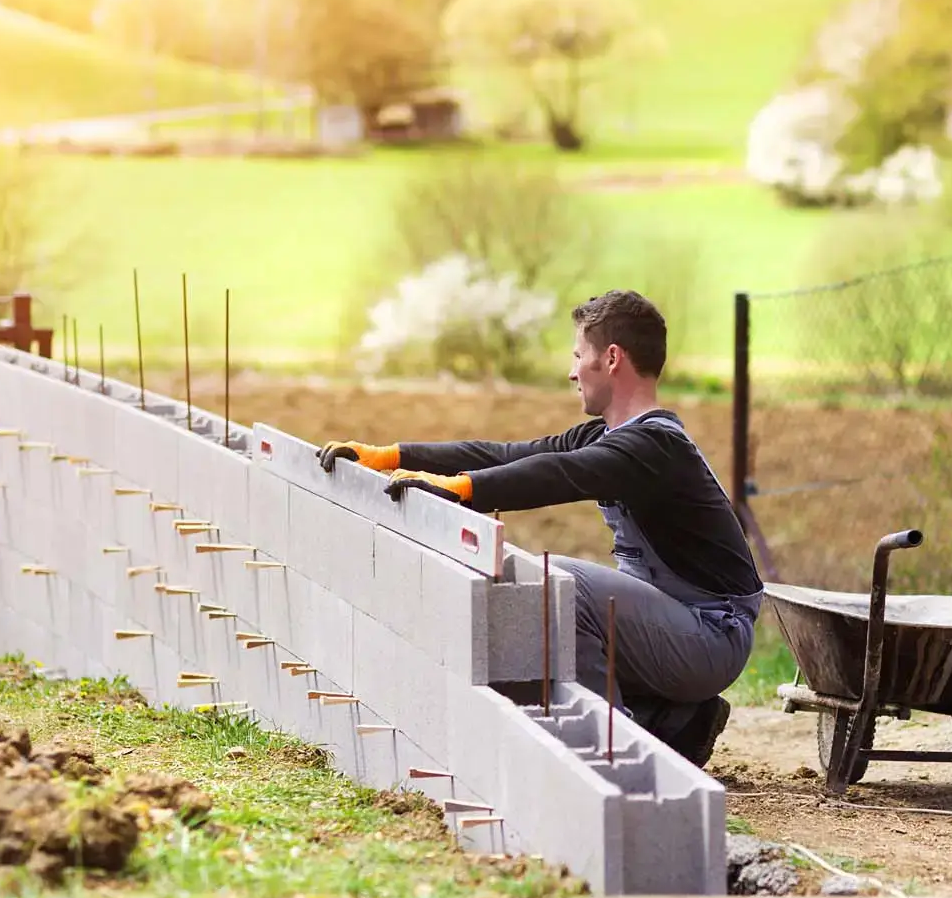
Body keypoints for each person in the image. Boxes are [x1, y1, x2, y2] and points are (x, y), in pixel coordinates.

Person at [317, 289, 764, 768]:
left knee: (557, 585)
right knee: (555, 593)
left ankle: (613, 752)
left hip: (711, 631)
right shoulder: (604, 434)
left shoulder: (655, 446)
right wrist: (394, 456)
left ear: (611, 359)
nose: (572, 372)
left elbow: (558, 475)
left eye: (579, 356)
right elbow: (508, 456)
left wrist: (461, 490)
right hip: (677, 623)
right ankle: (674, 720)